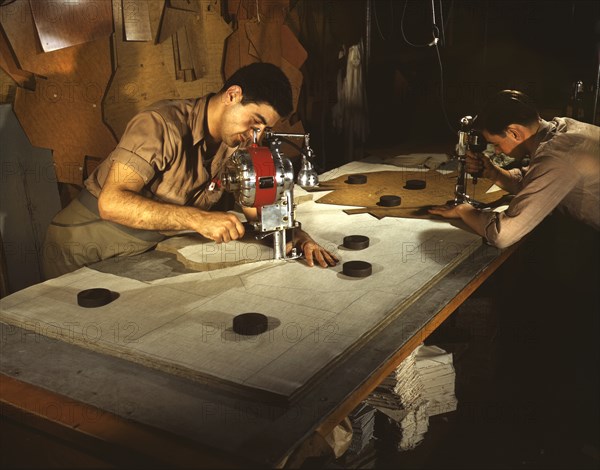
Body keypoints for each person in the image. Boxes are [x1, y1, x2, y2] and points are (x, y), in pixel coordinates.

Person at [42, 62, 338, 279]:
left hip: (144, 249)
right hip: (83, 246)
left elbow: (253, 208)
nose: (255, 136)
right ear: (232, 95)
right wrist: (199, 219)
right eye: (254, 122)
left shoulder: (234, 142)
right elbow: (112, 202)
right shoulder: (160, 125)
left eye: (263, 129)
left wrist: (293, 235)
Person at [428, 89, 599, 248]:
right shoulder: (564, 129)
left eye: (496, 144)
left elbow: (503, 235)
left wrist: (465, 210)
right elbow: (536, 181)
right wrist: (493, 173)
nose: (496, 150)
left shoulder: (557, 156)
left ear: (514, 133)